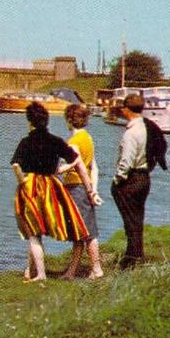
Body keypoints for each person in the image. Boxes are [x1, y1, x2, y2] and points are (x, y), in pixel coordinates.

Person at [10, 101, 100, 281]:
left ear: (30, 122)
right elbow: (76, 160)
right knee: (50, 226)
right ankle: (38, 272)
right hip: (52, 186)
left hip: (32, 185)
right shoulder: (58, 141)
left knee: (33, 231)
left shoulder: (25, 141)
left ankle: (34, 271)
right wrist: (61, 171)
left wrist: (22, 182)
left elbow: (15, 165)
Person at [60, 103, 104, 280]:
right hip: (83, 188)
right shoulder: (88, 138)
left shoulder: (74, 143)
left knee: (87, 233)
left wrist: (59, 169)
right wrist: (94, 190)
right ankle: (71, 272)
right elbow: (94, 167)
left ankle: (97, 269)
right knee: (79, 233)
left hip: (76, 188)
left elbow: (79, 167)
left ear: (70, 120)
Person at [111, 92, 150, 269]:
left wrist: (118, 179)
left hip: (131, 178)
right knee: (137, 218)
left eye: (123, 108)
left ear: (127, 109)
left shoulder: (130, 133)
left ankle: (132, 258)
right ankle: (136, 254)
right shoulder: (146, 128)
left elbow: (126, 160)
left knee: (130, 220)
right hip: (144, 176)